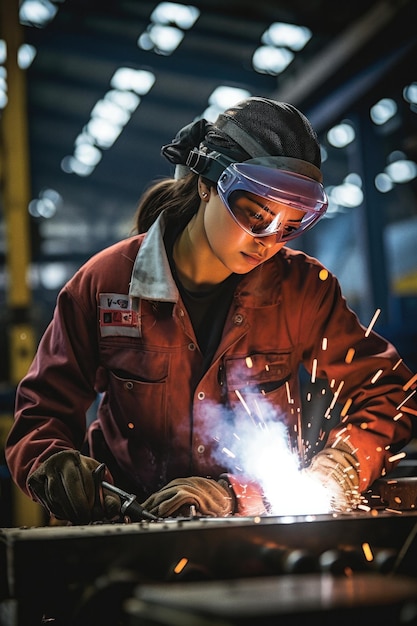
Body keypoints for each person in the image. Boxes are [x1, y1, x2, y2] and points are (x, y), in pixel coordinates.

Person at [5, 97, 417, 525]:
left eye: (288, 227)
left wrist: (336, 473)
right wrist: (52, 464)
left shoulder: (302, 291)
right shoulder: (105, 283)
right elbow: (42, 415)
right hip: (126, 532)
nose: (269, 241)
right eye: (257, 216)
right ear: (207, 184)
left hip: (254, 536)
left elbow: (391, 395)